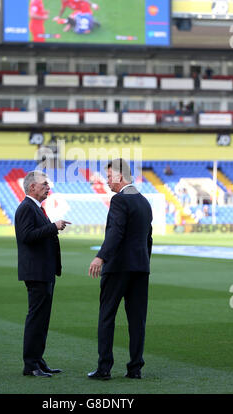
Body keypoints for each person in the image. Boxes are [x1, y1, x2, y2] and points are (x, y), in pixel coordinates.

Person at [88, 159, 153, 380]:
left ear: (120, 176)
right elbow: (148, 239)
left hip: (117, 268)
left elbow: (115, 232)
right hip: (140, 268)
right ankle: (135, 369)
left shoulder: (119, 200)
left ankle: (104, 368)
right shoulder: (144, 202)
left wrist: (100, 257)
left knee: (107, 316)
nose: (106, 182)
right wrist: (144, 262)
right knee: (137, 320)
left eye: (108, 177)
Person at [14, 170, 71, 377]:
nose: (48, 187)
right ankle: (30, 364)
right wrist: (53, 227)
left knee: (42, 319)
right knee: (36, 318)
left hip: (43, 271)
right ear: (32, 187)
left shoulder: (36, 208)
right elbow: (26, 236)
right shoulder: (26, 208)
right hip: (36, 272)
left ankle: (38, 360)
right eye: (44, 184)